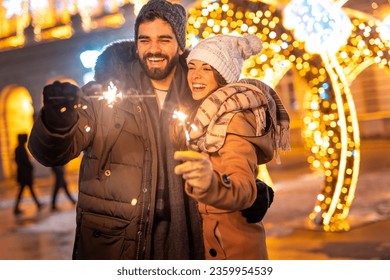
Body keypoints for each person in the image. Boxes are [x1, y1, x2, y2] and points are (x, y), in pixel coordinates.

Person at [28, 0, 203, 260]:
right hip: (120, 247)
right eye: (145, 40)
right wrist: (56, 121)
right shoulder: (105, 93)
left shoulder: (201, 95)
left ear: (180, 45)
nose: (153, 49)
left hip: (188, 245)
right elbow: (52, 153)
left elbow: (231, 155)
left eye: (164, 39)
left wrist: (253, 190)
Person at [172, 34, 291, 259]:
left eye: (207, 69)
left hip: (231, 249)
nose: (195, 75)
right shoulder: (207, 114)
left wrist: (210, 184)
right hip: (219, 242)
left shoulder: (233, 118)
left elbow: (243, 189)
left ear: (222, 76)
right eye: (192, 67)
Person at [14, 133, 43, 215]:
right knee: (24, 191)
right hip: (24, 175)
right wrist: (30, 166)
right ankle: (16, 208)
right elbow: (24, 162)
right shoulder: (20, 149)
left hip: (24, 174)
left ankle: (37, 204)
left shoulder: (19, 149)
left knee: (27, 190)